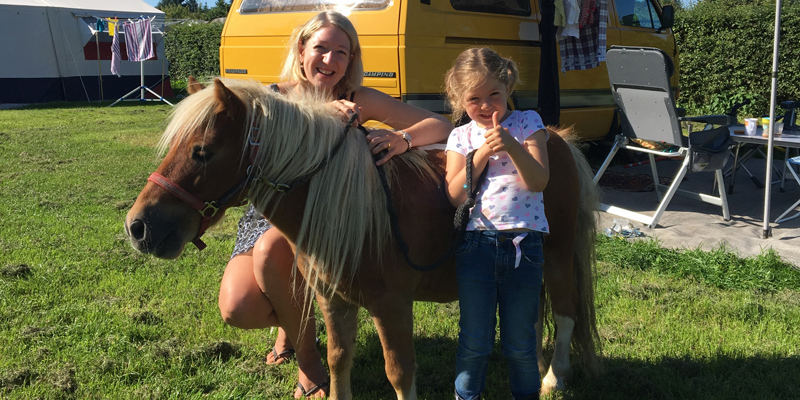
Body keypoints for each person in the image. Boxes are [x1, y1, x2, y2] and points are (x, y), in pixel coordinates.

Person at [217, 11, 453, 399]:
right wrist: (324, 116)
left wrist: (403, 139)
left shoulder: (358, 98)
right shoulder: (275, 98)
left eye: (341, 52)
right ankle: (293, 319)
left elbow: (441, 126)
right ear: (302, 49)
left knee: (274, 251)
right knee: (240, 306)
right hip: (275, 211)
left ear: (352, 60)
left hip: (337, 216)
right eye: (320, 48)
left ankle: (308, 362)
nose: (329, 61)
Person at [443, 47, 550, 400]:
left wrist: (511, 146)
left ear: (508, 88)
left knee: (521, 343)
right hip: (477, 246)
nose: (486, 106)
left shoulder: (527, 122)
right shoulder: (460, 137)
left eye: (494, 95)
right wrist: (484, 152)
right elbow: (455, 195)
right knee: (474, 341)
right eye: (474, 98)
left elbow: (538, 181)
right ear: (459, 100)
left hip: (524, 246)